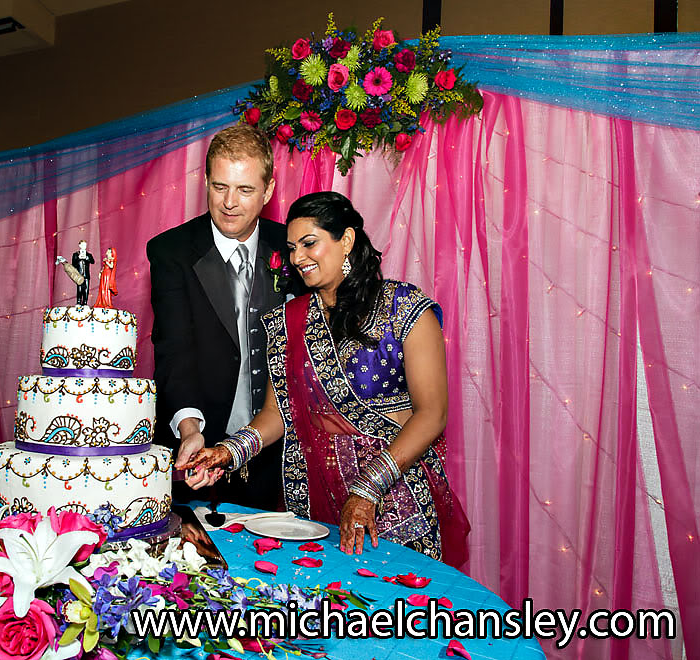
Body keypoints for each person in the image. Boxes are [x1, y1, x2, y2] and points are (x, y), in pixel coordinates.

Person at [184, 191, 470, 563]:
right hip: (314, 507)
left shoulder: (404, 308)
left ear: (346, 240)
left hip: (395, 502)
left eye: (309, 243)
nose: (297, 258)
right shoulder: (290, 321)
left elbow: (432, 414)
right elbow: (277, 414)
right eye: (291, 247)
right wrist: (227, 452)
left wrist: (368, 488)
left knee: (395, 614)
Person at [146, 125, 296, 510]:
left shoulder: (295, 249)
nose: (230, 202)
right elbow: (174, 350)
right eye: (219, 187)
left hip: (277, 450)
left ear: (269, 190)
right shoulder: (171, 251)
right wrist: (190, 428)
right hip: (199, 449)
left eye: (245, 190)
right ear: (207, 182)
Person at [72, 241, 96, 306]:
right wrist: (78, 258)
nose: (84, 246)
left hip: (86, 275)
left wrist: (86, 258)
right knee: (79, 289)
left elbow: (93, 261)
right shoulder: (76, 254)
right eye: (83, 245)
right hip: (79, 274)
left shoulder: (89, 255)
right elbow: (73, 264)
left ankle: (85, 302)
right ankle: (78, 302)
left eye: (85, 245)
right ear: (79, 245)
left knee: (86, 289)